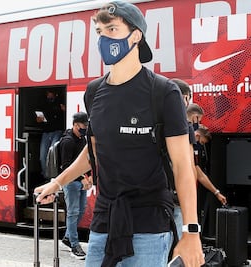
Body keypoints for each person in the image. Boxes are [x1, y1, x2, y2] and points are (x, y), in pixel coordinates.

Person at [35, 2, 204, 267]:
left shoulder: (163, 92)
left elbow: (184, 166)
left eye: (112, 29)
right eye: (100, 31)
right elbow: (92, 154)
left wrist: (190, 232)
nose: (103, 38)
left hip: (149, 223)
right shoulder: (94, 92)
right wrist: (57, 183)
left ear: (136, 35)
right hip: (104, 220)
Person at [172, 78, 227, 239]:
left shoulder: (174, 128)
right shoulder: (184, 132)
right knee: (179, 239)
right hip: (174, 197)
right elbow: (195, 172)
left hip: (170, 196)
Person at [59, 112, 93, 260]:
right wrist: (81, 178)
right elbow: (66, 166)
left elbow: (86, 159)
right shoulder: (67, 142)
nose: (85, 128)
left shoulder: (82, 139)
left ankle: (67, 237)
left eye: (86, 126)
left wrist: (90, 175)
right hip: (71, 182)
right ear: (75, 125)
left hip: (80, 181)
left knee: (81, 210)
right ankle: (74, 244)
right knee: (73, 212)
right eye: (83, 126)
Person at [36, 89, 65, 179]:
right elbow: (38, 118)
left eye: (50, 93)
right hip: (46, 131)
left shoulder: (60, 101)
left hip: (58, 131)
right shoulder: (43, 103)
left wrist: (64, 110)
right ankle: (47, 178)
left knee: (53, 154)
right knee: (43, 156)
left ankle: (55, 178)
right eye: (47, 93)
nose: (49, 95)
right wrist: (39, 119)